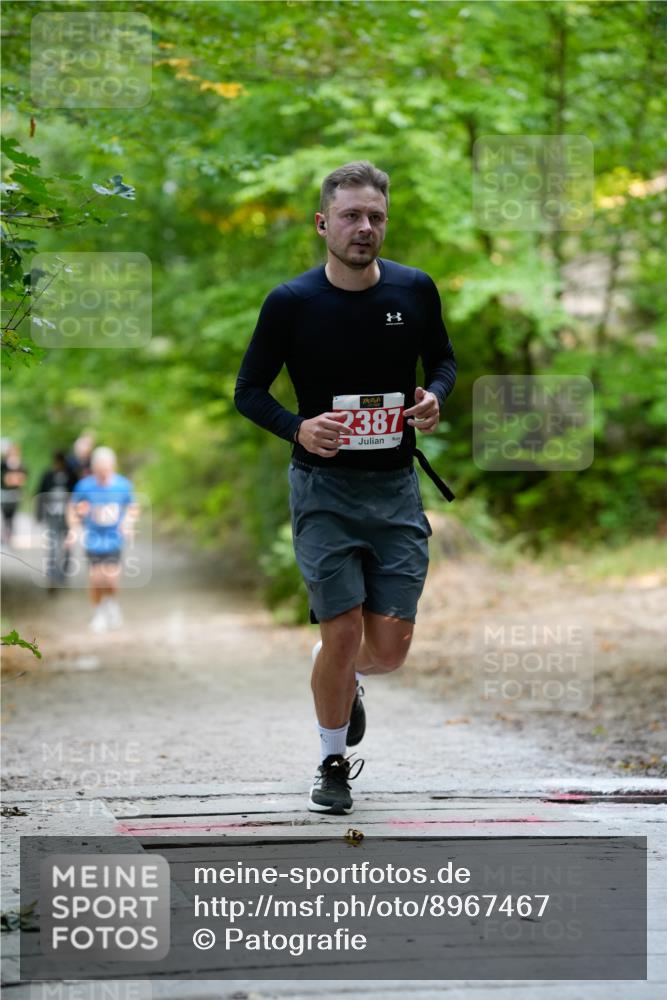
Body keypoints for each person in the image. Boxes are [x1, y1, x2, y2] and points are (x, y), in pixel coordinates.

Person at [235, 161, 457, 814]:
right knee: (341, 629)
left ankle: (350, 676)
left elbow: (441, 360)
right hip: (323, 491)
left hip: (394, 489)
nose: (365, 228)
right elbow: (248, 392)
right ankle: (332, 761)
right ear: (322, 223)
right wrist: (298, 429)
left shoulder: (415, 291)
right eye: (352, 216)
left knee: (387, 652)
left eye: (376, 217)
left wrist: (434, 397)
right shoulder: (291, 303)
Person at [66, 446, 136, 633]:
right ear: (94, 468)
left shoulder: (123, 485)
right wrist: (74, 529)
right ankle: (98, 613)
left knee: (111, 579)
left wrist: (128, 523)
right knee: (96, 578)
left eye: (107, 469)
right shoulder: (84, 486)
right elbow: (73, 509)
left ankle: (112, 605)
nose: (104, 473)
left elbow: (132, 507)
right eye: (100, 470)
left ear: (113, 466)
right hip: (93, 538)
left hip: (114, 538)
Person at [35, 450, 78, 589]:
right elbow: (39, 494)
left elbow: (78, 497)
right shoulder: (48, 475)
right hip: (52, 516)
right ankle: (52, 576)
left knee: (66, 546)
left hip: (67, 517)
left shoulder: (71, 476)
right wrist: (39, 514)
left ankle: (63, 575)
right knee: (53, 546)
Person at [1, 441, 28, 546]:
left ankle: (10, 535)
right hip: (4, 492)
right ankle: (5, 534)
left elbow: (23, 477)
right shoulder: (3, 463)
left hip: (15, 493)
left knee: (12, 515)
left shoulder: (21, 463)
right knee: (5, 514)